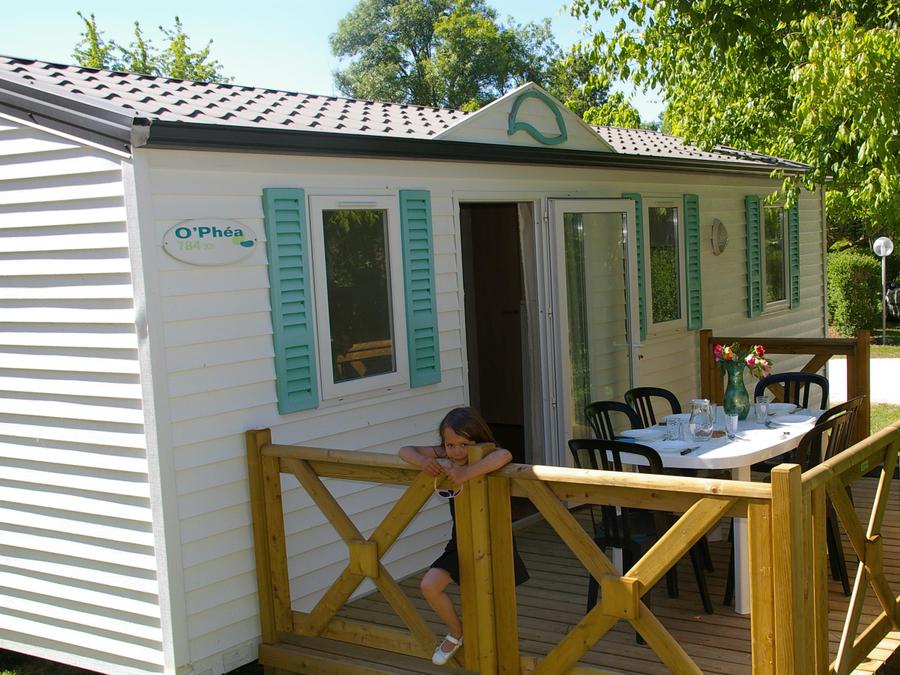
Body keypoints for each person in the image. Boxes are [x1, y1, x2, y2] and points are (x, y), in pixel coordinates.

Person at [398, 406, 529, 666]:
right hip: (461, 540)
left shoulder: (488, 454)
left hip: (495, 540)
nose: (457, 452)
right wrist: (424, 462)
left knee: (496, 602)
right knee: (429, 586)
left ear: (477, 440)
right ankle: (457, 633)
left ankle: (500, 656)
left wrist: (466, 473)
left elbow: (505, 454)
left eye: (464, 445)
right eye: (450, 445)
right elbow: (405, 451)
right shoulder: (446, 453)